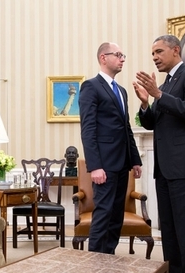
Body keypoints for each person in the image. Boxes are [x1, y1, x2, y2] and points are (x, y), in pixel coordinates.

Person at [133, 35, 185, 273]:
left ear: (176, 50)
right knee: (171, 227)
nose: (154, 56)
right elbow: (152, 123)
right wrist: (145, 102)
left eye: (159, 51)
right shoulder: (165, 84)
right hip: (164, 168)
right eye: (152, 52)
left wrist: (157, 95)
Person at [79, 42, 142, 255]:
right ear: (103, 58)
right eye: (118, 55)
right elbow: (88, 129)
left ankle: (110, 256)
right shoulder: (91, 86)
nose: (122, 59)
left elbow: (126, 127)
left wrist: (135, 159)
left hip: (122, 163)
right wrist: (94, 166)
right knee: (103, 213)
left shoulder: (122, 92)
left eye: (123, 55)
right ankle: (96, 259)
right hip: (103, 165)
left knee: (117, 215)